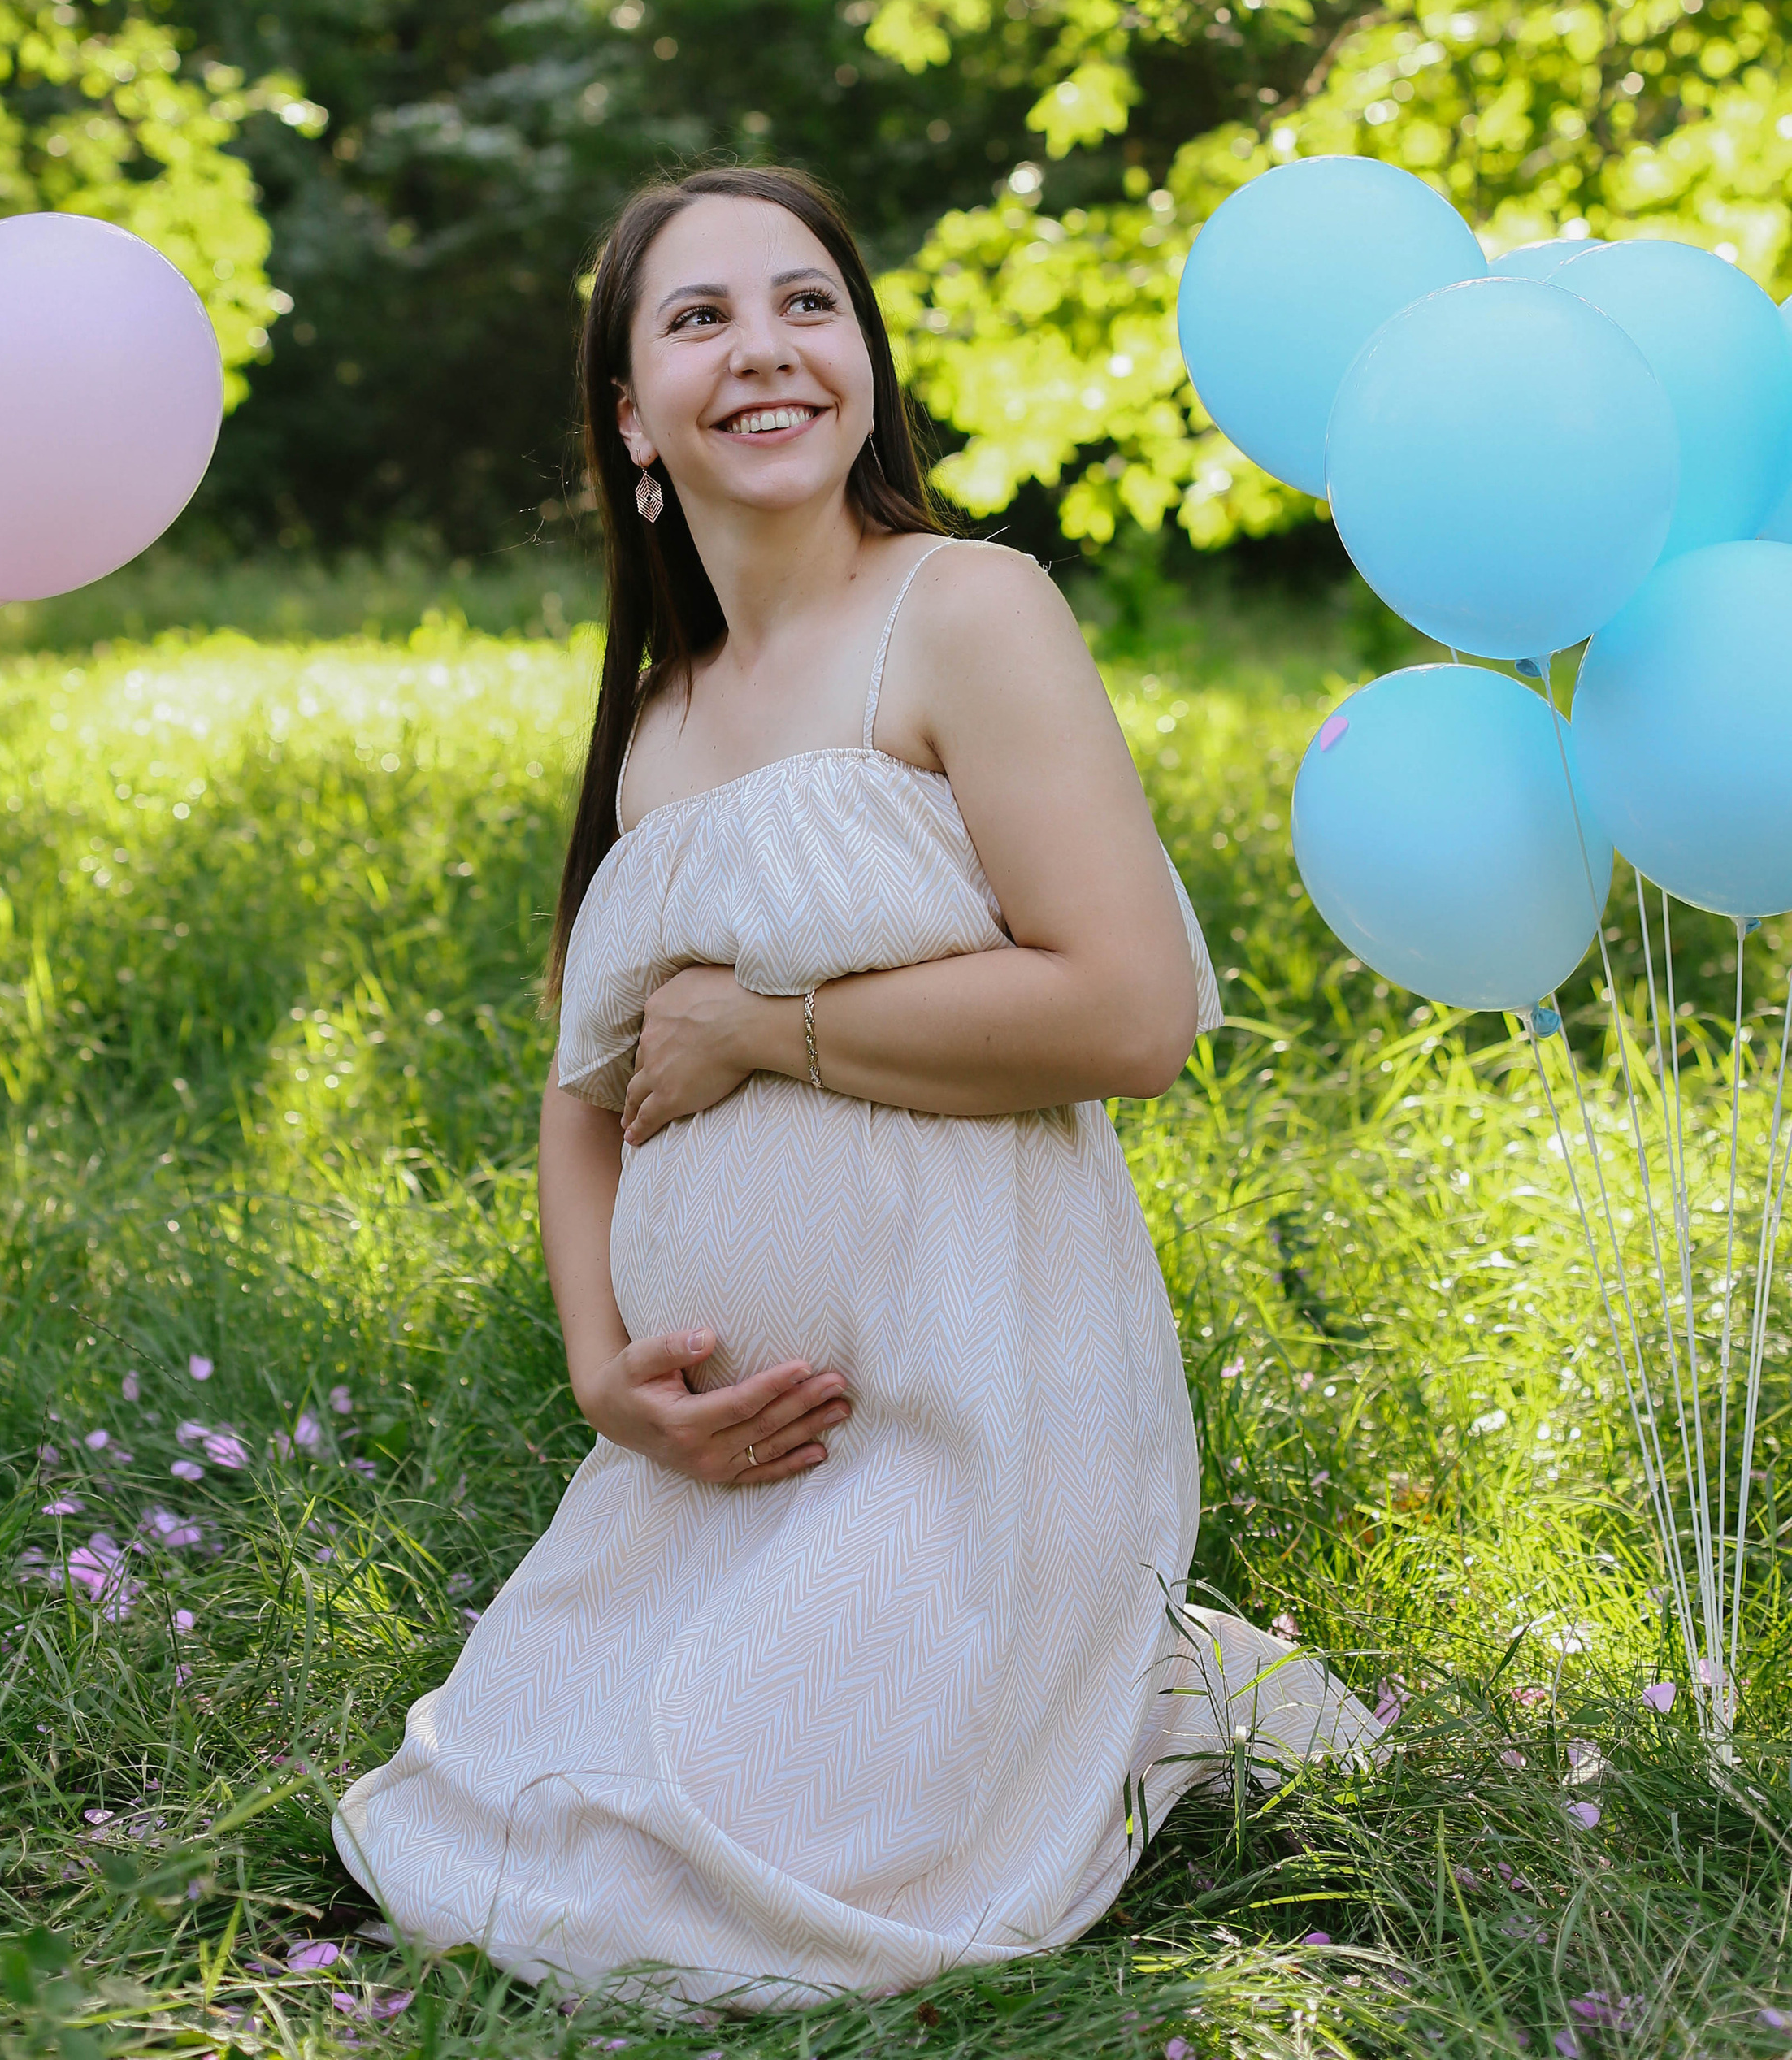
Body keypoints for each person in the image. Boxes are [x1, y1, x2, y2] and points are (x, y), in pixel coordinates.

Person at [334, 164, 1374, 2009]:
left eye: (806, 303)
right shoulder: (657, 718)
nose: (765, 349)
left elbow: (1129, 1012)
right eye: (702, 318)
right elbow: (583, 1095)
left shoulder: (964, 612)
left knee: (746, 1885)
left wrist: (769, 1029)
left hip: (989, 1406)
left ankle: (1115, 1661)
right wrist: (602, 1374)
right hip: (729, 1466)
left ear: (867, 364)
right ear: (630, 416)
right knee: (494, 1824)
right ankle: (1113, 1675)